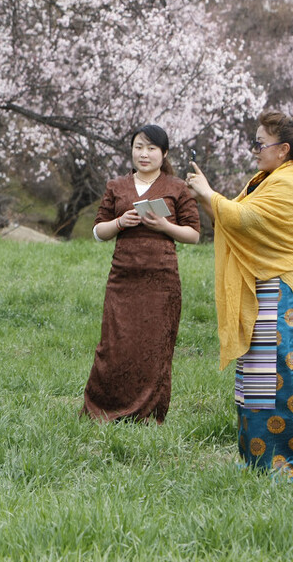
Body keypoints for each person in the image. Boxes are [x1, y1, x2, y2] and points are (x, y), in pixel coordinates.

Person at [185, 111, 293, 474]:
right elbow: (234, 217)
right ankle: (261, 458)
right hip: (264, 289)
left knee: (285, 379)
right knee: (257, 379)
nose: (255, 150)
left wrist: (208, 193)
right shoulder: (268, 179)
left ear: (283, 149)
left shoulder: (288, 184)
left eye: (260, 143)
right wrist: (206, 197)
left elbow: (245, 220)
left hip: (279, 293)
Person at [82, 124, 201, 423]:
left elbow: (194, 234)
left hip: (161, 281)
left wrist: (165, 227)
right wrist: (120, 222)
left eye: (151, 148)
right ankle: (104, 409)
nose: (144, 154)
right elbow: (98, 231)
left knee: (154, 346)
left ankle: (147, 413)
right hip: (123, 278)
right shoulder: (116, 186)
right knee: (114, 345)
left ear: (164, 153)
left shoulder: (176, 187)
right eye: (138, 147)